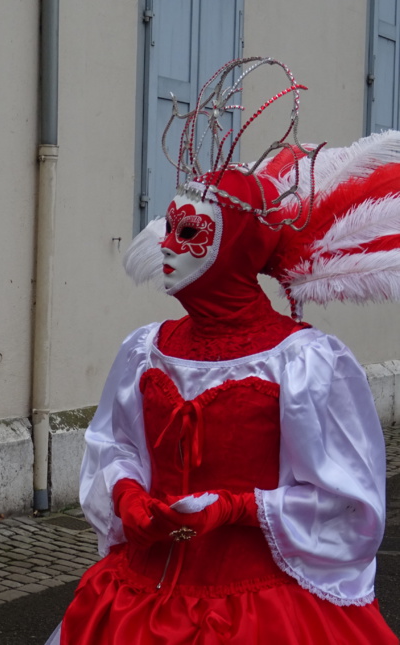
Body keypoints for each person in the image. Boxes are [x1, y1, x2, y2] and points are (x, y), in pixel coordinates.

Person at [47, 58, 400, 644]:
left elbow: (348, 503)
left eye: (191, 232)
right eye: (170, 226)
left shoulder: (306, 363)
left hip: (260, 611)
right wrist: (127, 493)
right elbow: (114, 445)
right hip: (141, 599)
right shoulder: (145, 351)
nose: (168, 245)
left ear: (235, 250)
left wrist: (238, 509)